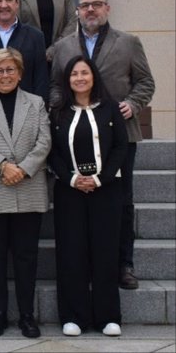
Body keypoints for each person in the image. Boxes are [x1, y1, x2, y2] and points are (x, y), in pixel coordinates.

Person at [49, 0, 155, 290]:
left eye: (96, 5)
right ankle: (85, 262)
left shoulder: (129, 42)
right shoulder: (64, 46)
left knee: (122, 200)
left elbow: (145, 81)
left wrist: (133, 104)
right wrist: (60, 109)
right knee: (79, 202)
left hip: (118, 135)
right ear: (78, 12)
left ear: (107, 8)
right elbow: (56, 85)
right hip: (75, 134)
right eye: (85, 6)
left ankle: (123, 264)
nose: (90, 10)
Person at [0, 48, 51, 338]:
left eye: (10, 69)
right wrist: (4, 166)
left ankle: (27, 314)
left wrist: (23, 168)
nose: (5, 75)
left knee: (26, 257)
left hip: (29, 187)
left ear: (20, 73)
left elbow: (44, 141)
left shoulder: (36, 102)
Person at [49, 55, 128, 337]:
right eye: (74, 74)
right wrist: (72, 179)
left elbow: (121, 146)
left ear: (93, 76)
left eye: (84, 73)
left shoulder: (110, 109)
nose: (79, 78)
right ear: (67, 80)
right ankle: (73, 316)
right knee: (72, 252)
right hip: (69, 191)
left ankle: (108, 316)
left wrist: (98, 178)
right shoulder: (58, 111)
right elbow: (53, 153)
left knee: (105, 251)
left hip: (106, 189)